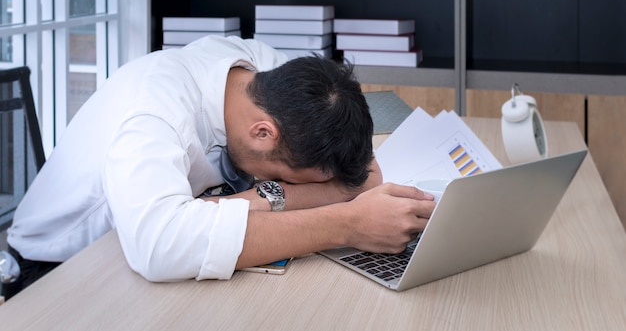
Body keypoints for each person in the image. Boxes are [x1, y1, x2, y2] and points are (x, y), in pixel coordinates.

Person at [4, 35, 435, 297]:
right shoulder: (153, 113)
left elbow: (363, 177)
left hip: (138, 250)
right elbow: (160, 247)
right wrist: (347, 223)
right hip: (61, 271)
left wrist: (262, 198)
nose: (283, 188)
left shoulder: (262, 71)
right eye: (280, 180)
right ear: (263, 133)